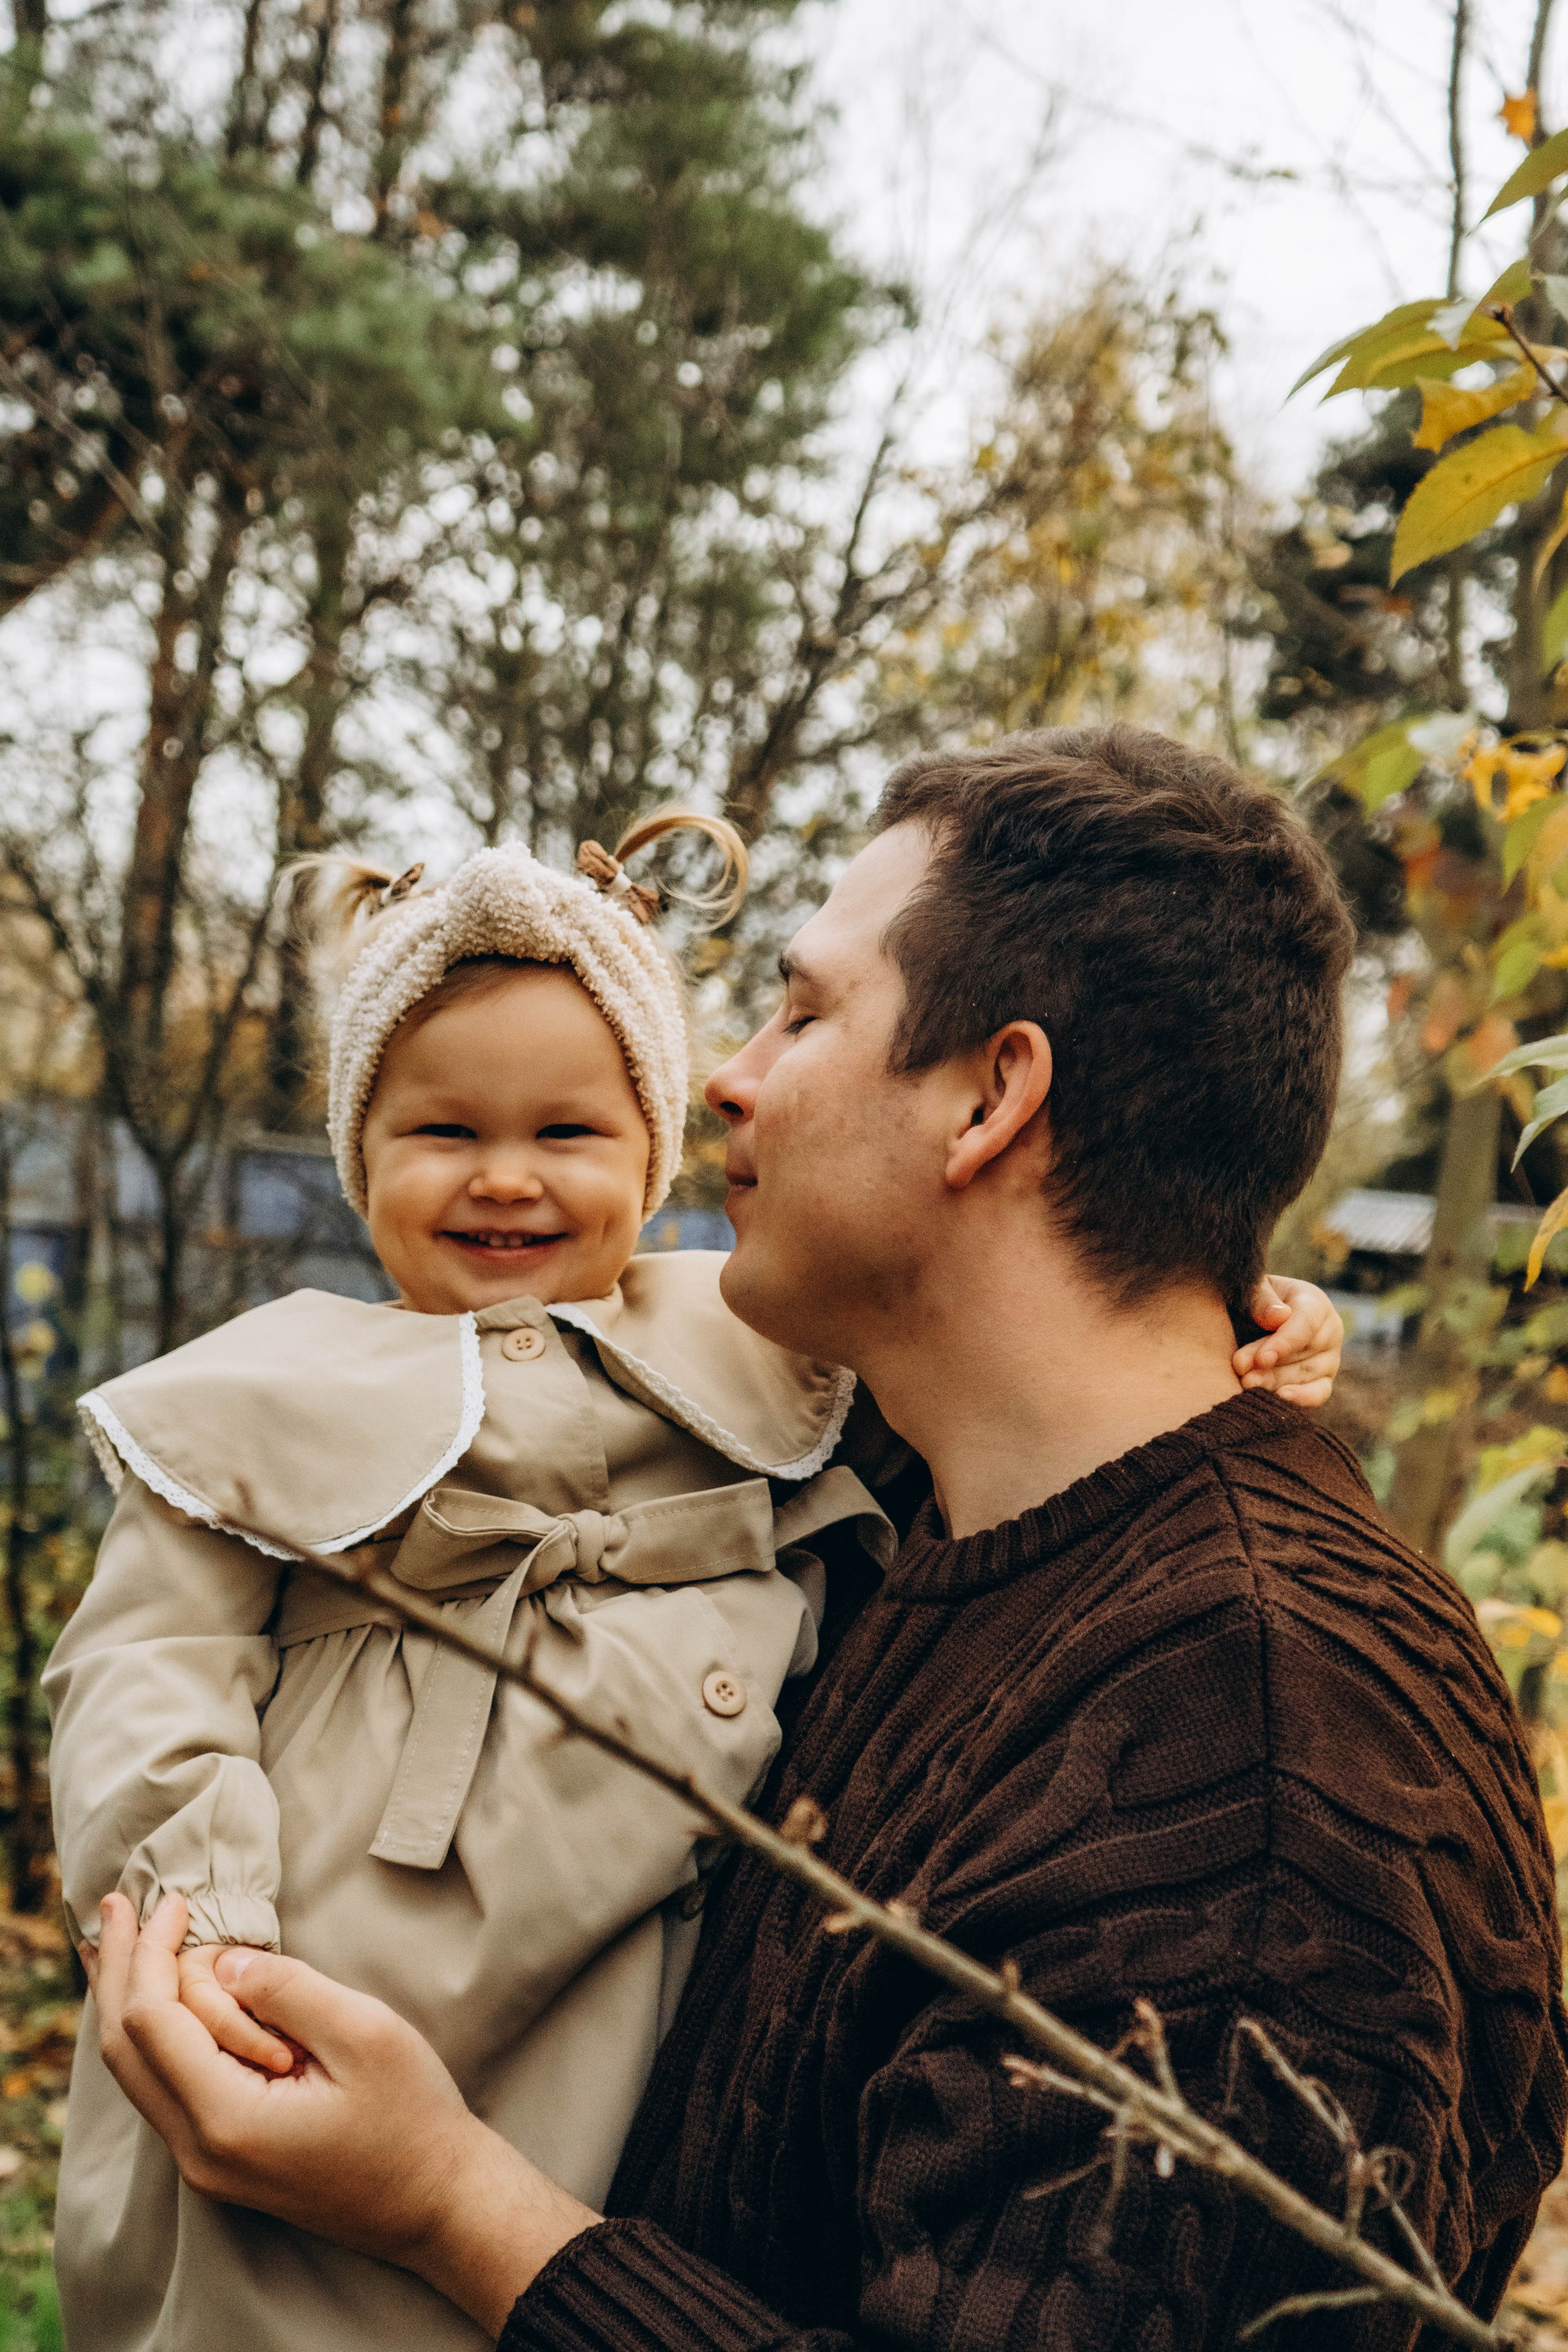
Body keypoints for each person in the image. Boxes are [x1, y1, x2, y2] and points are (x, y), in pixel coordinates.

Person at [89, 726, 1560, 2352]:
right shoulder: (942, 1530)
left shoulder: (1253, 1760)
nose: (726, 1072)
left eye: (801, 1010)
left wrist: (456, 2208)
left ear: (994, 1096)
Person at [48, 814, 914, 2352]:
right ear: (358, 1158)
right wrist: (208, 1931)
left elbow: (1003, 1340)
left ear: (652, 1152)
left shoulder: (762, 1343)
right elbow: (144, 1668)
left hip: (631, 1964)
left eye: (567, 1134)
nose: (505, 1179)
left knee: (555, 2254)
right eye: (443, 1132)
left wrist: (1243, 1317)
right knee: (291, 2292)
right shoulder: (268, 1391)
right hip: (329, 1950)